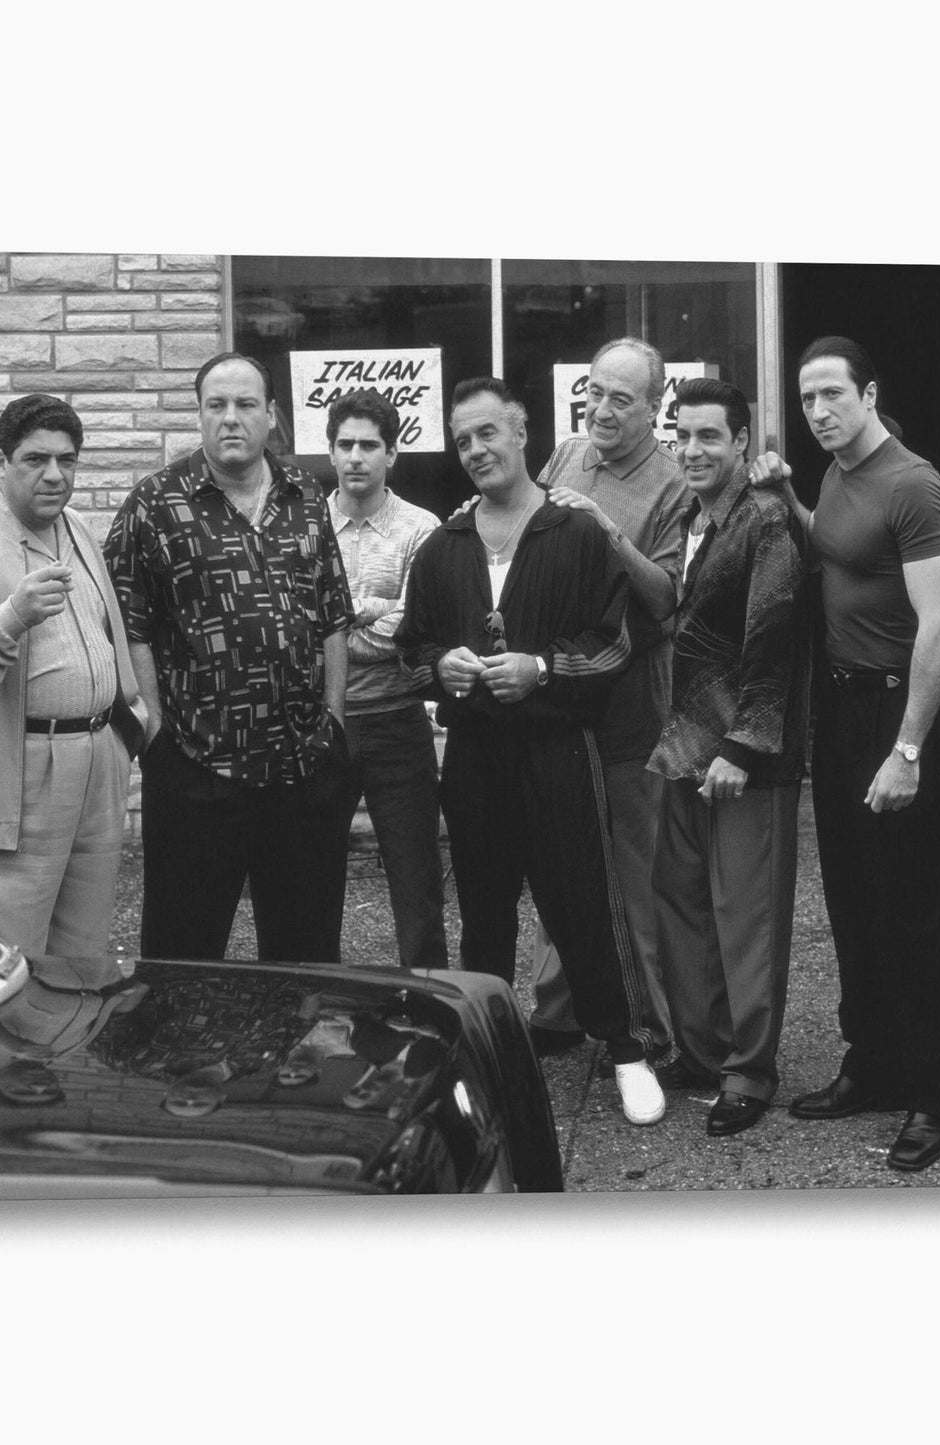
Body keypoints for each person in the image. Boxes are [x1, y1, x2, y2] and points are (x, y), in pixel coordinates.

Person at [395, 377, 665, 1126]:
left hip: (557, 749)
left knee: (582, 903)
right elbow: (410, 648)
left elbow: (612, 642)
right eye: (463, 440)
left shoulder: (573, 532)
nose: (476, 449)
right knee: (484, 915)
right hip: (475, 754)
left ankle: (625, 1049)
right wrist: (441, 667)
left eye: (488, 432)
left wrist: (542, 668)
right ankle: (483, 1055)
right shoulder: (444, 546)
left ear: (520, 434)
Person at [750, 335, 940, 1172]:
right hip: (840, 711)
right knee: (854, 899)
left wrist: (907, 749)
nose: (818, 411)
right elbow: (839, 549)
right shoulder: (839, 473)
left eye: (832, 394)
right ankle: (872, 1064)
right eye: (807, 398)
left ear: (868, 394)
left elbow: (939, 626)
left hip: (896, 713)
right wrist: (788, 498)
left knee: (914, 907)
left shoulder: (913, 484)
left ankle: (931, 1092)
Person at [104, 351, 354, 963]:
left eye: (245, 404)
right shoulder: (154, 503)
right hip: (196, 769)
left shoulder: (306, 497)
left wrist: (334, 720)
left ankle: (291, 1033)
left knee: (304, 961)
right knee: (182, 958)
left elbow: (332, 614)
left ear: (271, 415)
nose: (230, 418)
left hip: (302, 767)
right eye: (216, 405)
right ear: (199, 415)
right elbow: (127, 624)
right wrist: (155, 733)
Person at [0, 393, 147, 958]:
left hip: (96, 765)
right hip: (13, 773)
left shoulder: (76, 528)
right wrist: (10, 618)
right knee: (6, 962)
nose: (54, 475)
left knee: (81, 958)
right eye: (36, 459)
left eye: (67, 460)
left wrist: (128, 728)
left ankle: (68, 1024)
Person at [648, 378, 809, 1136]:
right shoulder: (693, 515)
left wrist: (743, 746)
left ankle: (748, 1071)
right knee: (681, 900)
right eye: (682, 435)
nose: (692, 449)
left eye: (708, 436)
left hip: (746, 752)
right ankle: (701, 1049)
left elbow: (774, 637)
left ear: (741, 441)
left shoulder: (765, 517)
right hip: (686, 741)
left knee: (746, 915)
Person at [528, 337, 689, 1064]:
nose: (601, 409)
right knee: (559, 851)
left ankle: (647, 1022)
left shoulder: (673, 482)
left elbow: (665, 600)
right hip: (559, 692)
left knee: (633, 867)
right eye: (593, 392)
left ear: (654, 408)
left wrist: (607, 530)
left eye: (621, 399)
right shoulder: (566, 454)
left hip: (630, 703)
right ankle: (558, 1009)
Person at [323, 388, 448, 970]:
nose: (356, 457)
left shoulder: (421, 529)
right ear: (330, 451)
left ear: (392, 454)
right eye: (345, 444)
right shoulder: (304, 525)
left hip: (398, 723)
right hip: (322, 723)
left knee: (416, 882)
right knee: (310, 879)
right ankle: (315, 999)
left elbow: (411, 630)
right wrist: (372, 611)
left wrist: (334, 631)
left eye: (369, 445)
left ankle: (427, 1004)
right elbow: (291, 627)